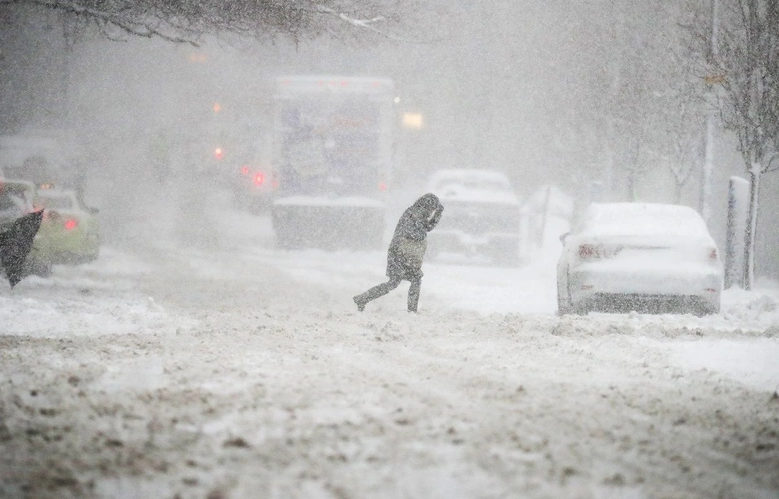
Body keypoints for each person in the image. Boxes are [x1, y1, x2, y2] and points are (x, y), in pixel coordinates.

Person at [353, 193, 444, 313]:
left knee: (407, 281)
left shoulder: (417, 214)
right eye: (433, 209)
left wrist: (437, 215)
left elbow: (427, 227)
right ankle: (363, 299)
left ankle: (363, 298)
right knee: (398, 282)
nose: (432, 211)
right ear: (427, 206)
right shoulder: (413, 214)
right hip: (399, 254)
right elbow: (417, 232)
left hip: (406, 255)